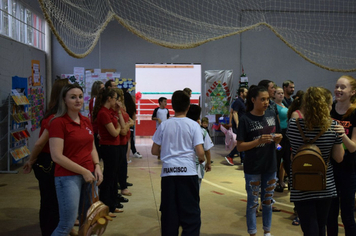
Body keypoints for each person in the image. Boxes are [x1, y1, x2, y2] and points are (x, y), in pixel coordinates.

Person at [287, 87, 344, 236]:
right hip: (325, 182)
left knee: (309, 226)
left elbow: (293, 154)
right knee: (321, 225)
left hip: (300, 183)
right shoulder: (334, 127)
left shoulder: (293, 125)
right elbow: (339, 158)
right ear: (326, 105)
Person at [48, 83, 103, 236]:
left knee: (88, 222)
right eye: (73, 97)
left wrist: (97, 166)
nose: (78, 100)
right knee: (66, 225)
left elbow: (91, 147)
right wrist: (84, 171)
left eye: (80, 96)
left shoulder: (85, 120)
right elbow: (56, 156)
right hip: (68, 177)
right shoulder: (58, 122)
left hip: (89, 175)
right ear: (64, 100)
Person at [151, 90, 205, 236]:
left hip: (168, 174)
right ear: (188, 106)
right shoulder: (193, 125)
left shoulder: (164, 125)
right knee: (191, 214)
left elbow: (154, 150)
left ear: (172, 106)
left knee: (169, 213)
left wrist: (168, 150)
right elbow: (200, 152)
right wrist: (202, 158)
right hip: (188, 173)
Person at [23, 78, 69, 236]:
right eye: (72, 95)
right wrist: (31, 160)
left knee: (56, 202)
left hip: (56, 162)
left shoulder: (60, 116)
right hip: (48, 162)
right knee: (50, 201)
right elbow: (39, 144)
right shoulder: (54, 119)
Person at [236, 85, 282, 236]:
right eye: (262, 99)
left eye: (267, 99)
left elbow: (277, 140)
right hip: (253, 167)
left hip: (270, 165)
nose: (266, 102)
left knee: (268, 201)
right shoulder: (245, 119)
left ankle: (267, 232)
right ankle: (253, 233)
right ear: (253, 100)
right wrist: (258, 141)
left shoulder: (271, 115)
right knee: (252, 203)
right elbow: (240, 146)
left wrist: (278, 140)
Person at [327, 75, 356, 236]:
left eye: (342, 87)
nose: (338, 90)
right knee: (330, 215)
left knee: (347, 215)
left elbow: (353, 147)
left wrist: (341, 133)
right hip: (329, 168)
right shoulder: (329, 109)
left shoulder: (354, 113)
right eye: (337, 86)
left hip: (348, 170)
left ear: (353, 92)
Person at [92, 87, 125, 216]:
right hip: (108, 147)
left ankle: (111, 204)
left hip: (114, 146)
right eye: (115, 98)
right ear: (109, 98)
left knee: (113, 177)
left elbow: (122, 128)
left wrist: (119, 113)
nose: (117, 101)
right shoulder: (103, 113)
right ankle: (105, 206)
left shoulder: (111, 112)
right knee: (109, 178)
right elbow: (115, 132)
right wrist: (118, 128)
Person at [112, 88, 134, 196]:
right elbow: (123, 130)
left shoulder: (122, 108)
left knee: (123, 164)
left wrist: (128, 124)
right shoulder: (116, 111)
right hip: (119, 142)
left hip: (124, 141)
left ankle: (123, 183)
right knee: (119, 165)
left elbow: (131, 121)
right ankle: (120, 186)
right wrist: (128, 125)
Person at [186, 104, 213, 188]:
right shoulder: (202, 131)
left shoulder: (181, 129)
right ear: (198, 117)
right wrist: (208, 163)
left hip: (182, 167)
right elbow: (207, 150)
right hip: (196, 167)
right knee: (195, 192)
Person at [225, 87, 248, 166]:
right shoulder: (238, 102)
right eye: (246, 92)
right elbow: (235, 113)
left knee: (242, 142)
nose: (247, 93)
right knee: (242, 143)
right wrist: (238, 124)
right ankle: (230, 156)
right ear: (241, 93)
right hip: (239, 125)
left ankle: (243, 160)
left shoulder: (242, 102)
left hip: (242, 125)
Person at [274, 87, 290, 193]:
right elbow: (277, 121)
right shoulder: (274, 106)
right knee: (278, 156)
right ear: (274, 95)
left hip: (287, 134)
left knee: (287, 157)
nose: (281, 95)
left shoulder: (284, 104)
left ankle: (286, 181)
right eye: (278, 93)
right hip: (280, 135)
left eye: (282, 93)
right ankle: (276, 182)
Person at [123, 88, 142, 160]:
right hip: (130, 124)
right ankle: (127, 158)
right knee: (129, 141)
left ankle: (127, 156)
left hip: (123, 124)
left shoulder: (122, 107)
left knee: (125, 141)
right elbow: (134, 116)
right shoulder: (132, 105)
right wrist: (133, 123)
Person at [88, 81, 104, 150]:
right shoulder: (95, 100)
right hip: (96, 128)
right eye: (102, 88)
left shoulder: (100, 99)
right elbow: (95, 114)